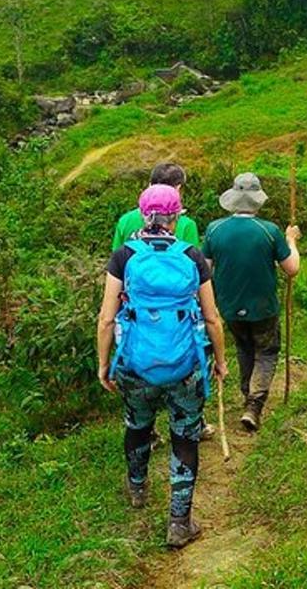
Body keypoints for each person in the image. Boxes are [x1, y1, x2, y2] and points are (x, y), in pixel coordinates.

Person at [96, 184, 228, 549]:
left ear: (142, 215)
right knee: (185, 436)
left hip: (135, 365)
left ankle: (137, 489)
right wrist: (220, 361)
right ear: (176, 216)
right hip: (185, 364)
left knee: (137, 424)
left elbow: (107, 319)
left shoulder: (124, 256)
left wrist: (104, 364)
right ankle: (179, 523)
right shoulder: (192, 255)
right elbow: (212, 317)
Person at [112, 163, 212, 441]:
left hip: (136, 314)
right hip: (177, 317)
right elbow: (195, 275)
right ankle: (192, 422)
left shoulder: (125, 221)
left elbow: (116, 271)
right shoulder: (187, 226)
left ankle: (147, 429)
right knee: (181, 368)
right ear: (177, 193)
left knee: (140, 366)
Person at [202, 173, 301, 433]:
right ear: (257, 201)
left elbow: (205, 271)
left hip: (229, 306)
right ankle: (254, 406)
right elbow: (292, 268)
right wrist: (291, 240)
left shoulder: (214, 230)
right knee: (266, 352)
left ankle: (248, 396)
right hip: (264, 308)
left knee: (245, 349)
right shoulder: (269, 231)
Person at [112, 163, 200, 250]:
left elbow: (116, 258)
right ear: (178, 188)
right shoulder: (187, 225)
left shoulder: (125, 220)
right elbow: (193, 261)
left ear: (150, 185)